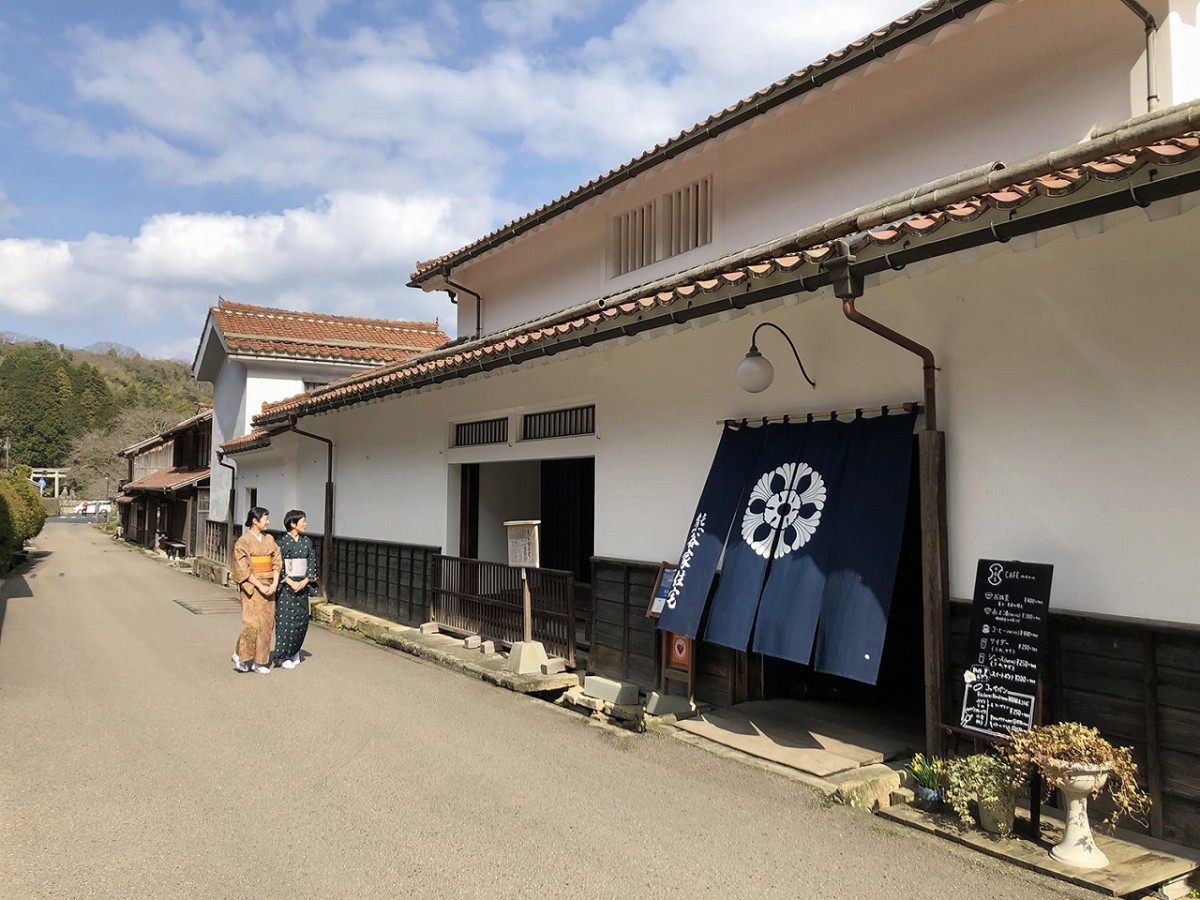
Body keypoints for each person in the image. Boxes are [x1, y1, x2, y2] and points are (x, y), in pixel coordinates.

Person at [231, 507, 281, 674]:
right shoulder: (243, 542)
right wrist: (259, 585)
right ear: (255, 521)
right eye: (265, 518)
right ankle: (244, 659)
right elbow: (242, 569)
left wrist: (274, 583)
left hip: (269, 585)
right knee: (251, 623)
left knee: (266, 625)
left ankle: (260, 662)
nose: (268, 521)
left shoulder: (270, 539)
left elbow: (277, 561)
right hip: (252, 587)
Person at [273, 509, 317, 669]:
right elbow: (277, 564)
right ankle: (283, 655)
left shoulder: (307, 542)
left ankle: (295, 651)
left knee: (301, 620)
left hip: (302, 585)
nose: (305, 524)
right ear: (293, 523)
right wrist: (289, 581)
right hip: (286, 587)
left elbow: (311, 563)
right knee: (285, 621)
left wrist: (306, 580)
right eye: (303, 521)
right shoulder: (281, 542)